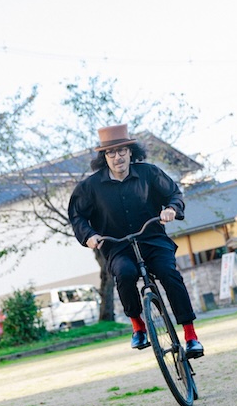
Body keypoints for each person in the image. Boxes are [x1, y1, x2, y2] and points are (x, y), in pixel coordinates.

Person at [68, 124, 203, 358]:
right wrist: (89, 235)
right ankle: (138, 326)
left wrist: (171, 209)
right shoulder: (90, 187)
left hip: (153, 240)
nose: (117, 156)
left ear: (131, 152)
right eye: (111, 152)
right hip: (118, 246)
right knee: (125, 274)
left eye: (122, 151)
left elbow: (174, 194)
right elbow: (77, 215)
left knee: (169, 274)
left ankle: (191, 336)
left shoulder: (149, 173)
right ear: (104, 156)